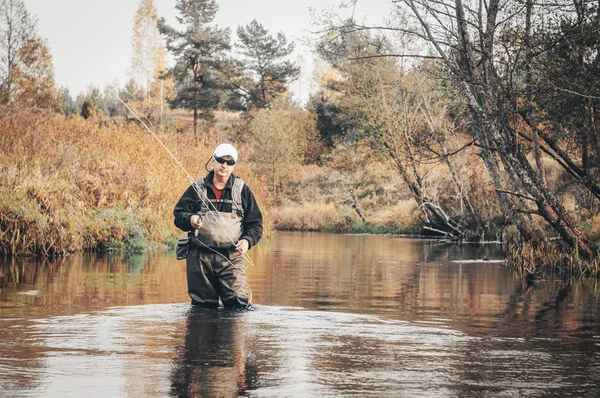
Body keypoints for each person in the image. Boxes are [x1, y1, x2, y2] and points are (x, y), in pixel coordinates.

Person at [173, 143, 262, 309]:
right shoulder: (197, 188)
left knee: (237, 305)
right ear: (213, 161)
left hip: (232, 257)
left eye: (229, 162)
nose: (224, 165)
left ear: (234, 166)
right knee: (202, 307)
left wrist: (247, 241)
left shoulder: (243, 190)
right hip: (199, 257)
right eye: (221, 160)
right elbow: (178, 216)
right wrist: (190, 219)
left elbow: (255, 225)